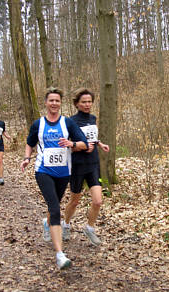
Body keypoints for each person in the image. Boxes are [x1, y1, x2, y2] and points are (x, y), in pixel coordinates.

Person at [20, 88, 88, 269]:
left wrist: (71, 143)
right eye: (51, 100)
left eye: (57, 100)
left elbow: (84, 144)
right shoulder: (38, 124)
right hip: (43, 170)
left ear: (60, 103)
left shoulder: (67, 123)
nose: (54, 103)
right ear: (46, 102)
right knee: (55, 208)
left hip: (63, 172)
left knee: (54, 206)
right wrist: (27, 158)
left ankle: (47, 223)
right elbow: (30, 143)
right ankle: (60, 254)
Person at [62, 88, 109, 246]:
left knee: (97, 201)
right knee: (74, 201)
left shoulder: (93, 118)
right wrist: (79, 147)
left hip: (93, 164)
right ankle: (66, 224)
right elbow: (67, 145)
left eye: (89, 101)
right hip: (78, 165)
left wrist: (100, 144)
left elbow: (92, 138)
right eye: (84, 102)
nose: (87, 104)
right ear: (76, 104)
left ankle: (89, 228)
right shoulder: (71, 122)